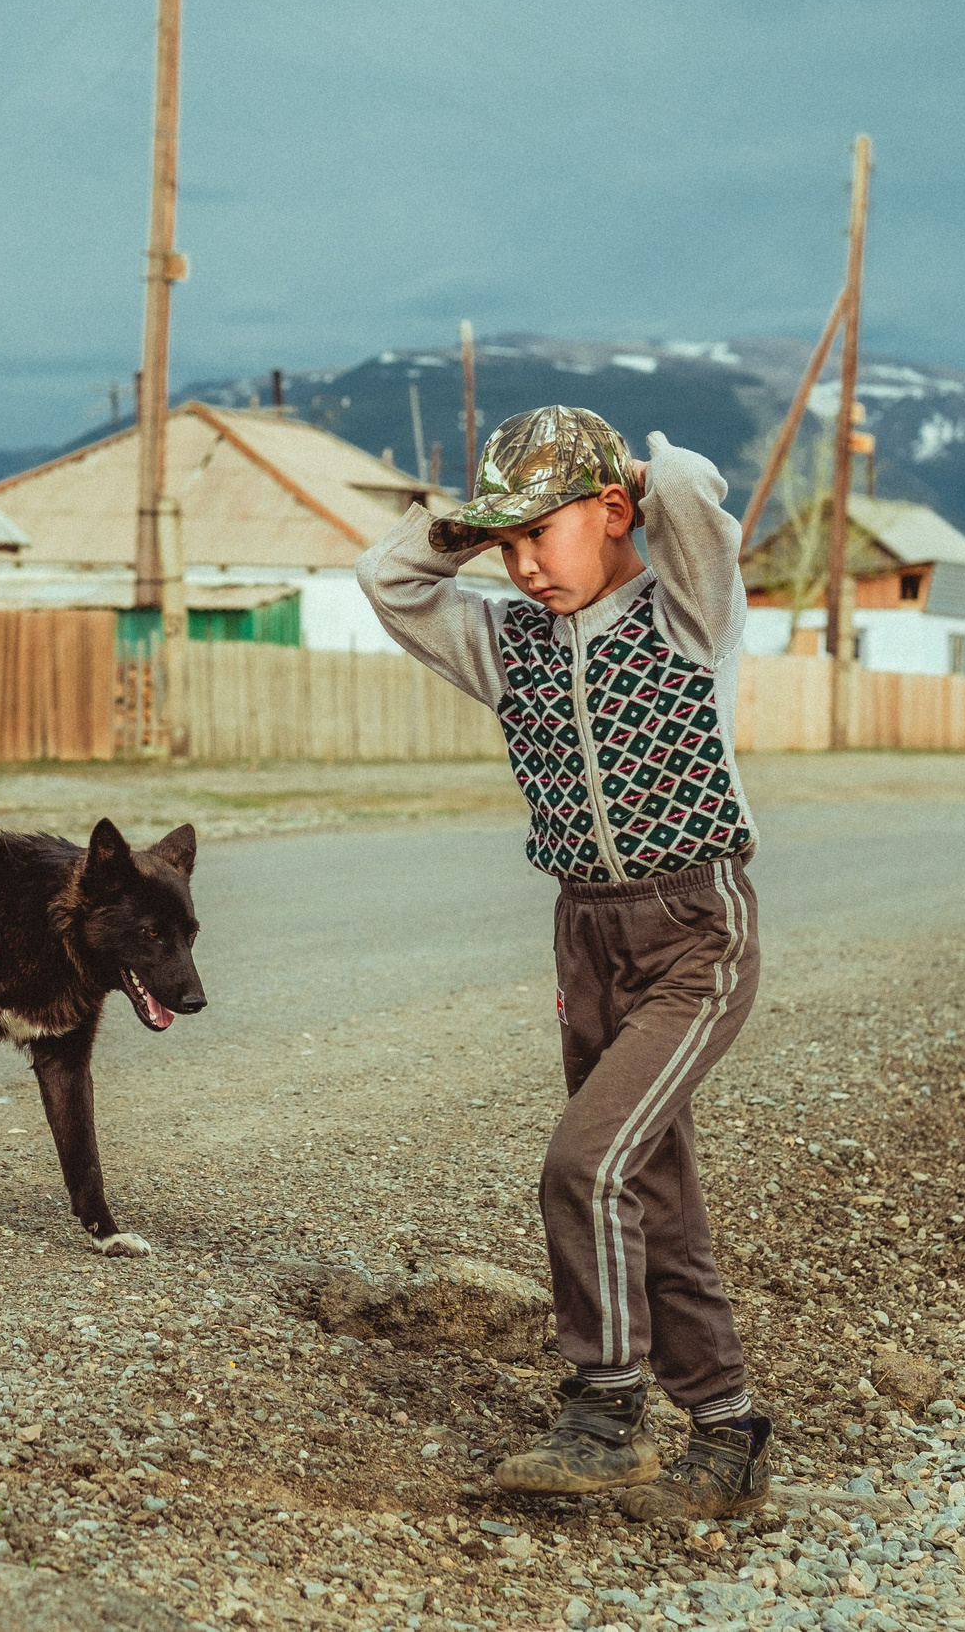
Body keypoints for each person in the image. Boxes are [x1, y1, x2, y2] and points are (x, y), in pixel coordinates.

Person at [354, 405, 771, 1521]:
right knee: (651, 1187)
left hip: (695, 931)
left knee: (584, 1162)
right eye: (507, 545)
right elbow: (386, 581)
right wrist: (471, 519)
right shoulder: (507, 642)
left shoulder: (691, 613)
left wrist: (617, 469)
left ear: (614, 513)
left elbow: (689, 492)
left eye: (548, 533)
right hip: (585, 937)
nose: (526, 564)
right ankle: (727, 1438)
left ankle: (604, 1411)